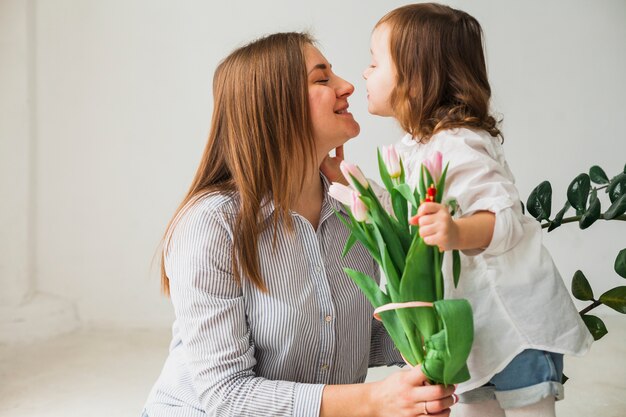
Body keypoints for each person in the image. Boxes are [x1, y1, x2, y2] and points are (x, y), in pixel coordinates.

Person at [141, 32, 456, 417]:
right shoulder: (211, 225)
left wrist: (438, 350)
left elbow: (366, 335)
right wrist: (377, 401)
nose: (347, 86)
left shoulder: (354, 209)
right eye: (322, 79)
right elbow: (225, 395)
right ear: (275, 105)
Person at [321, 4, 592, 417]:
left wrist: (455, 232)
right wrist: (350, 184)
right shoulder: (417, 148)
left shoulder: (458, 143)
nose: (364, 74)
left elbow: (503, 219)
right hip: (471, 331)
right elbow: (406, 216)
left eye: (375, 63)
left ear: (414, 80)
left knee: (528, 409)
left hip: (510, 324)